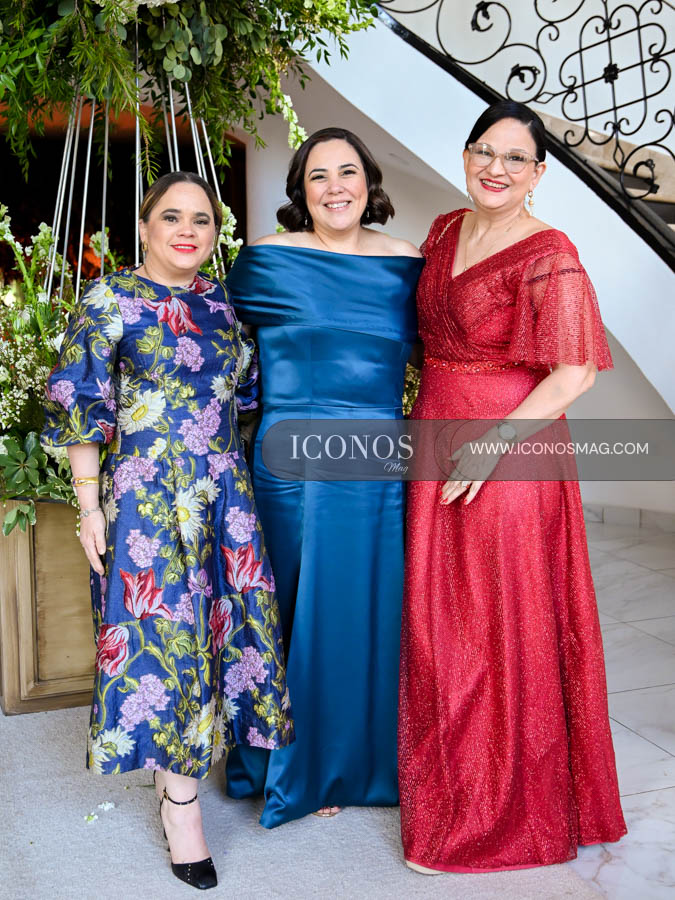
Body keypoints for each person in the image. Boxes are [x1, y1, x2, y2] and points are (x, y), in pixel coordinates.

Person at [42, 171, 293, 890]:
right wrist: (90, 508)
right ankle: (182, 810)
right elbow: (81, 407)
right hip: (145, 500)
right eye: (172, 217)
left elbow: (246, 395)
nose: (188, 230)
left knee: (222, 636)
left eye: (202, 220)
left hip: (224, 495)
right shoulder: (110, 298)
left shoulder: (223, 304)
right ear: (145, 226)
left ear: (215, 234)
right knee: (162, 640)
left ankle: (185, 774)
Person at [398, 101, 627, 873]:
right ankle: (449, 784)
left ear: (537, 173)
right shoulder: (442, 231)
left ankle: (501, 814)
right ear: (465, 157)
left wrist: (491, 447)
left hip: (507, 452)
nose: (494, 168)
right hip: (436, 437)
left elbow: (574, 371)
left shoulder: (549, 252)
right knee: (440, 625)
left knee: (495, 629)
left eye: (513, 158)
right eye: (482, 151)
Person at [225, 127, 424, 826]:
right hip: (292, 461)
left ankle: (358, 760)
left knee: (367, 606)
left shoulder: (407, 262)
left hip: (378, 460)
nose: (335, 187)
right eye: (318, 176)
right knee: (291, 604)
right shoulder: (266, 260)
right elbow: (213, 343)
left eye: (347, 172)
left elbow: (441, 352)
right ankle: (298, 762)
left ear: (369, 183)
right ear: (300, 191)